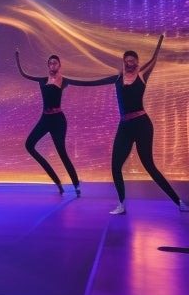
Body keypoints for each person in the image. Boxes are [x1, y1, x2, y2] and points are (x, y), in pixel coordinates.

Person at [73, 34, 188, 215]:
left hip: (142, 125)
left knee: (149, 166)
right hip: (125, 127)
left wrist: (160, 42)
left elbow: (154, 59)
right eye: (127, 60)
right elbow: (92, 83)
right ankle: (121, 204)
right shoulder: (117, 79)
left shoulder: (142, 75)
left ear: (137, 62)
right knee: (115, 166)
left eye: (132, 60)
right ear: (123, 62)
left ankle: (179, 202)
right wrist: (70, 81)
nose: (129, 63)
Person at [15, 50, 83, 196]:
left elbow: (84, 82)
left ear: (59, 65)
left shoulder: (63, 80)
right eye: (50, 63)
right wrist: (17, 57)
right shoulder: (42, 80)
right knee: (29, 145)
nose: (52, 65)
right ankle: (56, 180)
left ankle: (76, 184)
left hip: (58, 120)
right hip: (45, 119)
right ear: (48, 66)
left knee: (61, 152)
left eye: (55, 63)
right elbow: (24, 74)